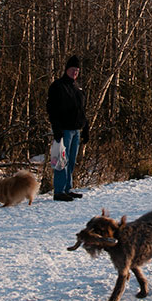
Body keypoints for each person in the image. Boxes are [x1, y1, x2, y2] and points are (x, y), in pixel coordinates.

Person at [46, 55, 89, 201]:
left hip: (76, 129)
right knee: (61, 161)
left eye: (77, 70)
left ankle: (67, 188)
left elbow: (82, 110)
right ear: (66, 70)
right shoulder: (58, 86)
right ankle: (59, 191)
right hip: (64, 130)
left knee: (71, 160)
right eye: (72, 70)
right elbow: (52, 109)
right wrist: (56, 128)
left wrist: (86, 128)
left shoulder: (77, 88)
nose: (75, 72)